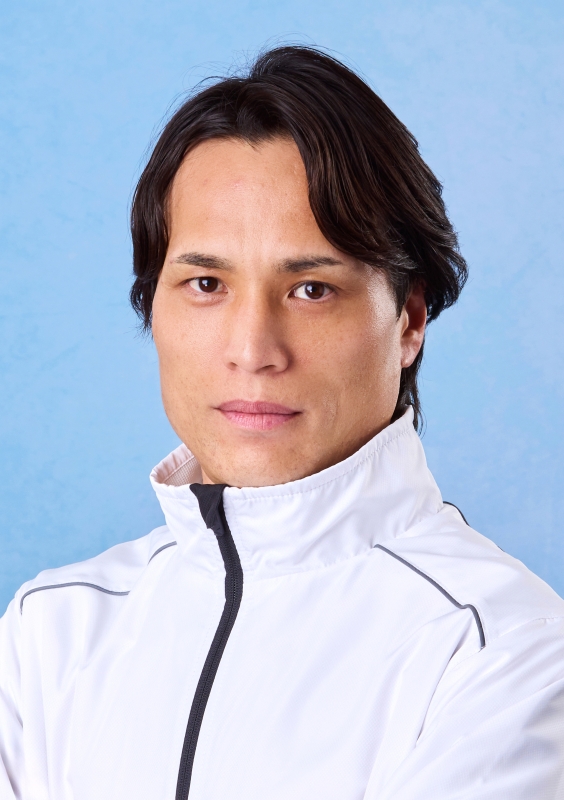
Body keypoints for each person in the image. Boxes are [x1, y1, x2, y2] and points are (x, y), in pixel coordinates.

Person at [1, 45, 563, 800]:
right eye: (206, 283)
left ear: (409, 320)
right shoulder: (49, 634)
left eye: (311, 290)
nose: (253, 350)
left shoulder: (504, 650)